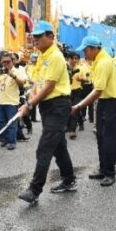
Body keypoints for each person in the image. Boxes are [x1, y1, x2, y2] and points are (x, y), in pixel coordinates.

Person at [17, 21, 76, 203]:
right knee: (58, 146)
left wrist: (30, 105)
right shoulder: (42, 56)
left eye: (39, 36)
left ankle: (34, 190)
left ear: (51, 36)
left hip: (58, 105)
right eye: (34, 36)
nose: (35, 39)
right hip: (47, 106)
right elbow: (39, 83)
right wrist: (29, 100)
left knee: (44, 148)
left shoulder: (56, 56)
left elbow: (49, 86)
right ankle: (69, 180)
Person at [71, 35, 116, 187]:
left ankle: (110, 173)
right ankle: (103, 169)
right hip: (105, 101)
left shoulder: (103, 62)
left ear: (95, 49)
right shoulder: (98, 61)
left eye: (86, 50)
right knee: (101, 136)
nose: (84, 53)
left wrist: (78, 106)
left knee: (109, 139)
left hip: (113, 102)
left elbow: (97, 91)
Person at [0, 51, 25, 150]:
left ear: (12, 61)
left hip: (12, 102)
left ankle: (11, 142)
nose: (6, 64)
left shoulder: (17, 71)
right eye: (3, 62)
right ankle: (5, 139)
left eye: (8, 62)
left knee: (11, 123)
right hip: (0, 102)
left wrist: (13, 76)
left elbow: (21, 84)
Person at [66, 51, 86, 139]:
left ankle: (72, 130)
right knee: (69, 110)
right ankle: (80, 122)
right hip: (67, 92)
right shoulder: (65, 67)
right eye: (73, 58)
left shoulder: (80, 68)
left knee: (74, 109)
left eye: (76, 58)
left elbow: (85, 78)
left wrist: (81, 79)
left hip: (77, 91)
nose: (75, 60)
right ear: (69, 59)